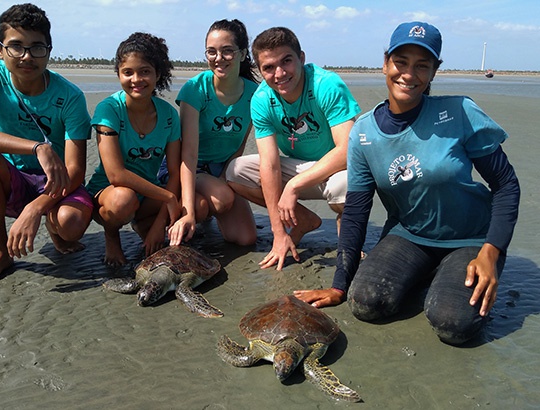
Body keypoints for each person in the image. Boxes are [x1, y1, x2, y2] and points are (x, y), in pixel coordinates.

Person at [294, 22, 520, 345]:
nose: (408, 74)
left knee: (452, 323)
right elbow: (357, 212)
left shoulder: (460, 113)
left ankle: (455, 272)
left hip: (472, 237)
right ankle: (427, 270)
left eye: (422, 65)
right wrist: (338, 285)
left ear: (433, 72)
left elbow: (507, 184)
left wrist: (491, 250)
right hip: (410, 237)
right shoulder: (363, 134)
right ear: (385, 62)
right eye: (401, 62)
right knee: (365, 302)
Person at [0, 3, 93, 289]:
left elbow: (75, 170)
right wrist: (38, 147)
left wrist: (35, 209)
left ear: (49, 49)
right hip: (11, 178)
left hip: (57, 181)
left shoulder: (70, 96)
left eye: (36, 47)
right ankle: (0, 251)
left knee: (70, 224)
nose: (26, 57)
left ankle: (53, 224)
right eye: (16, 46)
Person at [226, 27, 360, 271]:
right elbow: (269, 164)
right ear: (259, 70)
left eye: (286, 61)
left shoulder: (326, 85)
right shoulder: (262, 99)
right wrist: (278, 232)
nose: (279, 73)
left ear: (301, 58)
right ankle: (304, 220)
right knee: (237, 171)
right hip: (298, 166)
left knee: (346, 184)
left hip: (337, 167)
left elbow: (347, 150)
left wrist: (293, 186)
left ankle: (347, 227)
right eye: (268, 67)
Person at [86, 32, 181, 265]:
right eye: (128, 72)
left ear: (158, 74)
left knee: (195, 204)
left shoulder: (169, 115)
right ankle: (112, 235)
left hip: (148, 191)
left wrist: (160, 226)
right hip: (110, 191)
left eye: (145, 71)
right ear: (118, 74)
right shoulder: (109, 109)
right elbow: (116, 174)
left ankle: (143, 225)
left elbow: (175, 172)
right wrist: (168, 197)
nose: (136, 79)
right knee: (123, 200)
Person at [166, 19, 258, 247]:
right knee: (218, 199)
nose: (219, 58)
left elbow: (239, 146)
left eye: (227, 51)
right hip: (190, 167)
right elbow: (187, 155)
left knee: (246, 238)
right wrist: (188, 212)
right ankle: (192, 212)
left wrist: (224, 178)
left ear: (243, 53)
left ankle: (207, 209)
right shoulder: (195, 90)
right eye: (212, 52)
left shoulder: (254, 94)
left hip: (222, 169)